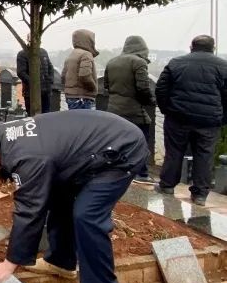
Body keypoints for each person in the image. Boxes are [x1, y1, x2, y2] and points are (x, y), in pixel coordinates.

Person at [0, 111, 147, 283]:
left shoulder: (26, 155)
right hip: (95, 148)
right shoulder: (10, 140)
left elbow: (29, 209)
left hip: (120, 150)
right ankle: (61, 261)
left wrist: (9, 264)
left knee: (87, 215)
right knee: (58, 197)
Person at [155, 35, 227, 206]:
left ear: (191, 47)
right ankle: (200, 194)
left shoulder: (176, 63)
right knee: (205, 155)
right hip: (209, 121)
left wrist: (168, 110)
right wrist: (221, 117)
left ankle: (167, 185)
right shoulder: (223, 66)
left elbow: (161, 89)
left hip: (178, 117)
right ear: (213, 48)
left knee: (174, 151)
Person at [104, 35, 156, 185]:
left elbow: (106, 85)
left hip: (113, 110)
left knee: (116, 141)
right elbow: (143, 88)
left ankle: (116, 169)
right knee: (141, 141)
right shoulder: (138, 62)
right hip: (134, 111)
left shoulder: (112, 62)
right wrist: (151, 102)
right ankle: (141, 173)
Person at [16, 35, 55, 114]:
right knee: (33, 116)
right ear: (28, 40)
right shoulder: (23, 54)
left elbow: (50, 67)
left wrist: (50, 80)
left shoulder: (43, 52)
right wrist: (34, 84)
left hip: (46, 91)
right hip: (31, 93)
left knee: (46, 114)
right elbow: (21, 72)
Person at [62, 29, 99, 109]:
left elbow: (63, 76)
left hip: (71, 97)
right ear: (88, 40)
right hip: (82, 97)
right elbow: (85, 75)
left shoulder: (71, 55)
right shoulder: (86, 54)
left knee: (74, 120)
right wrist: (93, 88)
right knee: (85, 121)